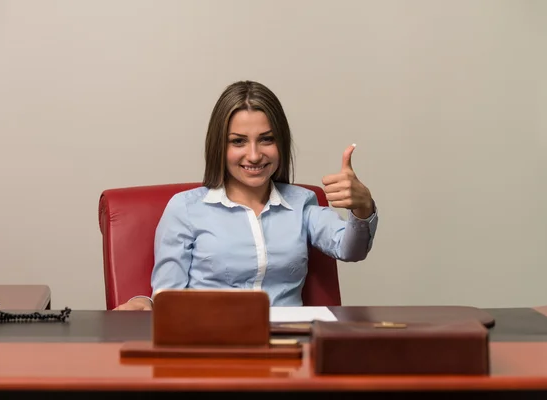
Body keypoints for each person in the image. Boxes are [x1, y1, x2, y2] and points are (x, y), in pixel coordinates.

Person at [114, 80, 378, 310]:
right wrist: (146, 302)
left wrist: (362, 207)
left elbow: (350, 249)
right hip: (212, 346)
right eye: (238, 141)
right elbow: (167, 297)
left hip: (287, 345)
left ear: (281, 143)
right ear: (219, 145)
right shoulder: (184, 209)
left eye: (266, 139)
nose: (253, 155)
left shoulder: (301, 203)